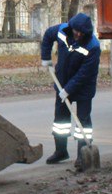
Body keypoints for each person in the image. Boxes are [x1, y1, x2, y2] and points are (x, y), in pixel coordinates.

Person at [39, 13, 101, 164]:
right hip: (62, 82)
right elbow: (47, 35)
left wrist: (68, 89)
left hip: (83, 87)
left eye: (82, 32)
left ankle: (82, 155)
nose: (78, 34)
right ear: (72, 27)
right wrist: (45, 58)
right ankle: (61, 151)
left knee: (83, 122)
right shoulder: (62, 30)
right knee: (61, 121)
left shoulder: (93, 46)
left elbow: (84, 74)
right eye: (76, 31)